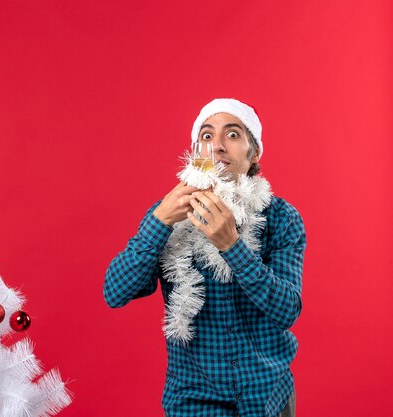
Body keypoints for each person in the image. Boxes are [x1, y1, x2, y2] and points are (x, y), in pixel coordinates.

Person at [104, 98, 305, 417]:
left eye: (233, 135)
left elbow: (287, 311)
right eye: (207, 136)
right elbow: (115, 293)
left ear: (254, 153)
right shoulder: (168, 214)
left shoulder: (281, 218)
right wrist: (159, 222)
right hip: (195, 401)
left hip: (268, 397)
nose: (219, 146)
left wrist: (232, 246)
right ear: (196, 152)